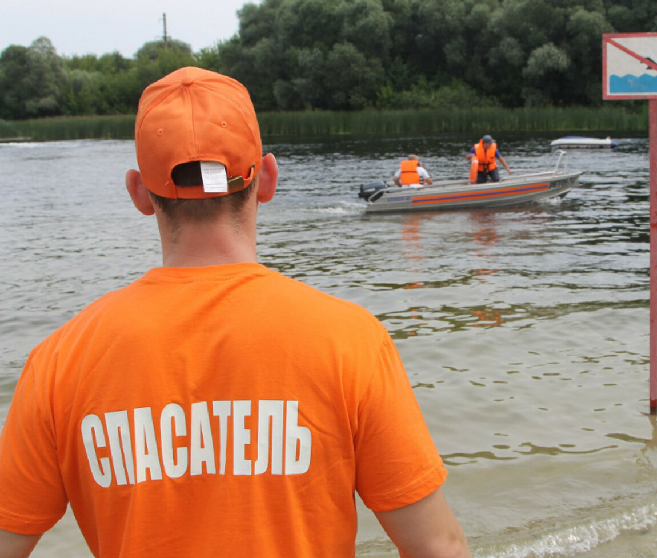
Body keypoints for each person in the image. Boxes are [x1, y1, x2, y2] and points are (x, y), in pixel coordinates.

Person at [0, 67, 471, 558]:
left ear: (139, 192)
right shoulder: (349, 340)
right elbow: (439, 548)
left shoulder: (58, 362)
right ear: (266, 178)